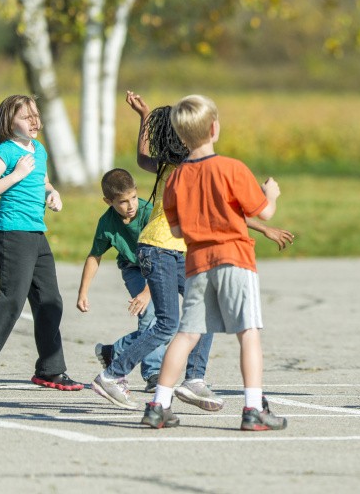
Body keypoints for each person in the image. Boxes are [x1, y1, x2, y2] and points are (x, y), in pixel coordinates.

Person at [94, 92, 293, 412]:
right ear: (210, 131)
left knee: (204, 315)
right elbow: (223, 211)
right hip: (161, 249)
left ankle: (194, 379)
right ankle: (113, 374)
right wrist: (267, 206)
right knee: (168, 324)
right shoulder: (193, 168)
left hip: (175, 249)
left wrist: (145, 118)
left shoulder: (168, 168)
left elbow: (142, 156)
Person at [0, 95, 82, 393]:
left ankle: (51, 370)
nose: (34, 121)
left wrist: (53, 193)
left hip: (36, 235)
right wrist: (17, 175)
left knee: (50, 302)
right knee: (12, 301)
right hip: (12, 234)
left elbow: (44, 181)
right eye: (27, 117)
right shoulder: (5, 152)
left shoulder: (38, 149)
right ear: (9, 122)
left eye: (36, 115)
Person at [77, 168, 163, 400]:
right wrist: (83, 291)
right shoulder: (106, 223)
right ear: (108, 201)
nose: (131, 205)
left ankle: (114, 351)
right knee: (149, 315)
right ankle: (154, 373)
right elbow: (94, 256)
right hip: (134, 268)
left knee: (167, 322)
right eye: (123, 202)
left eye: (133, 197)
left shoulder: (148, 212)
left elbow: (162, 257)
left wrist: (149, 290)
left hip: (159, 264)